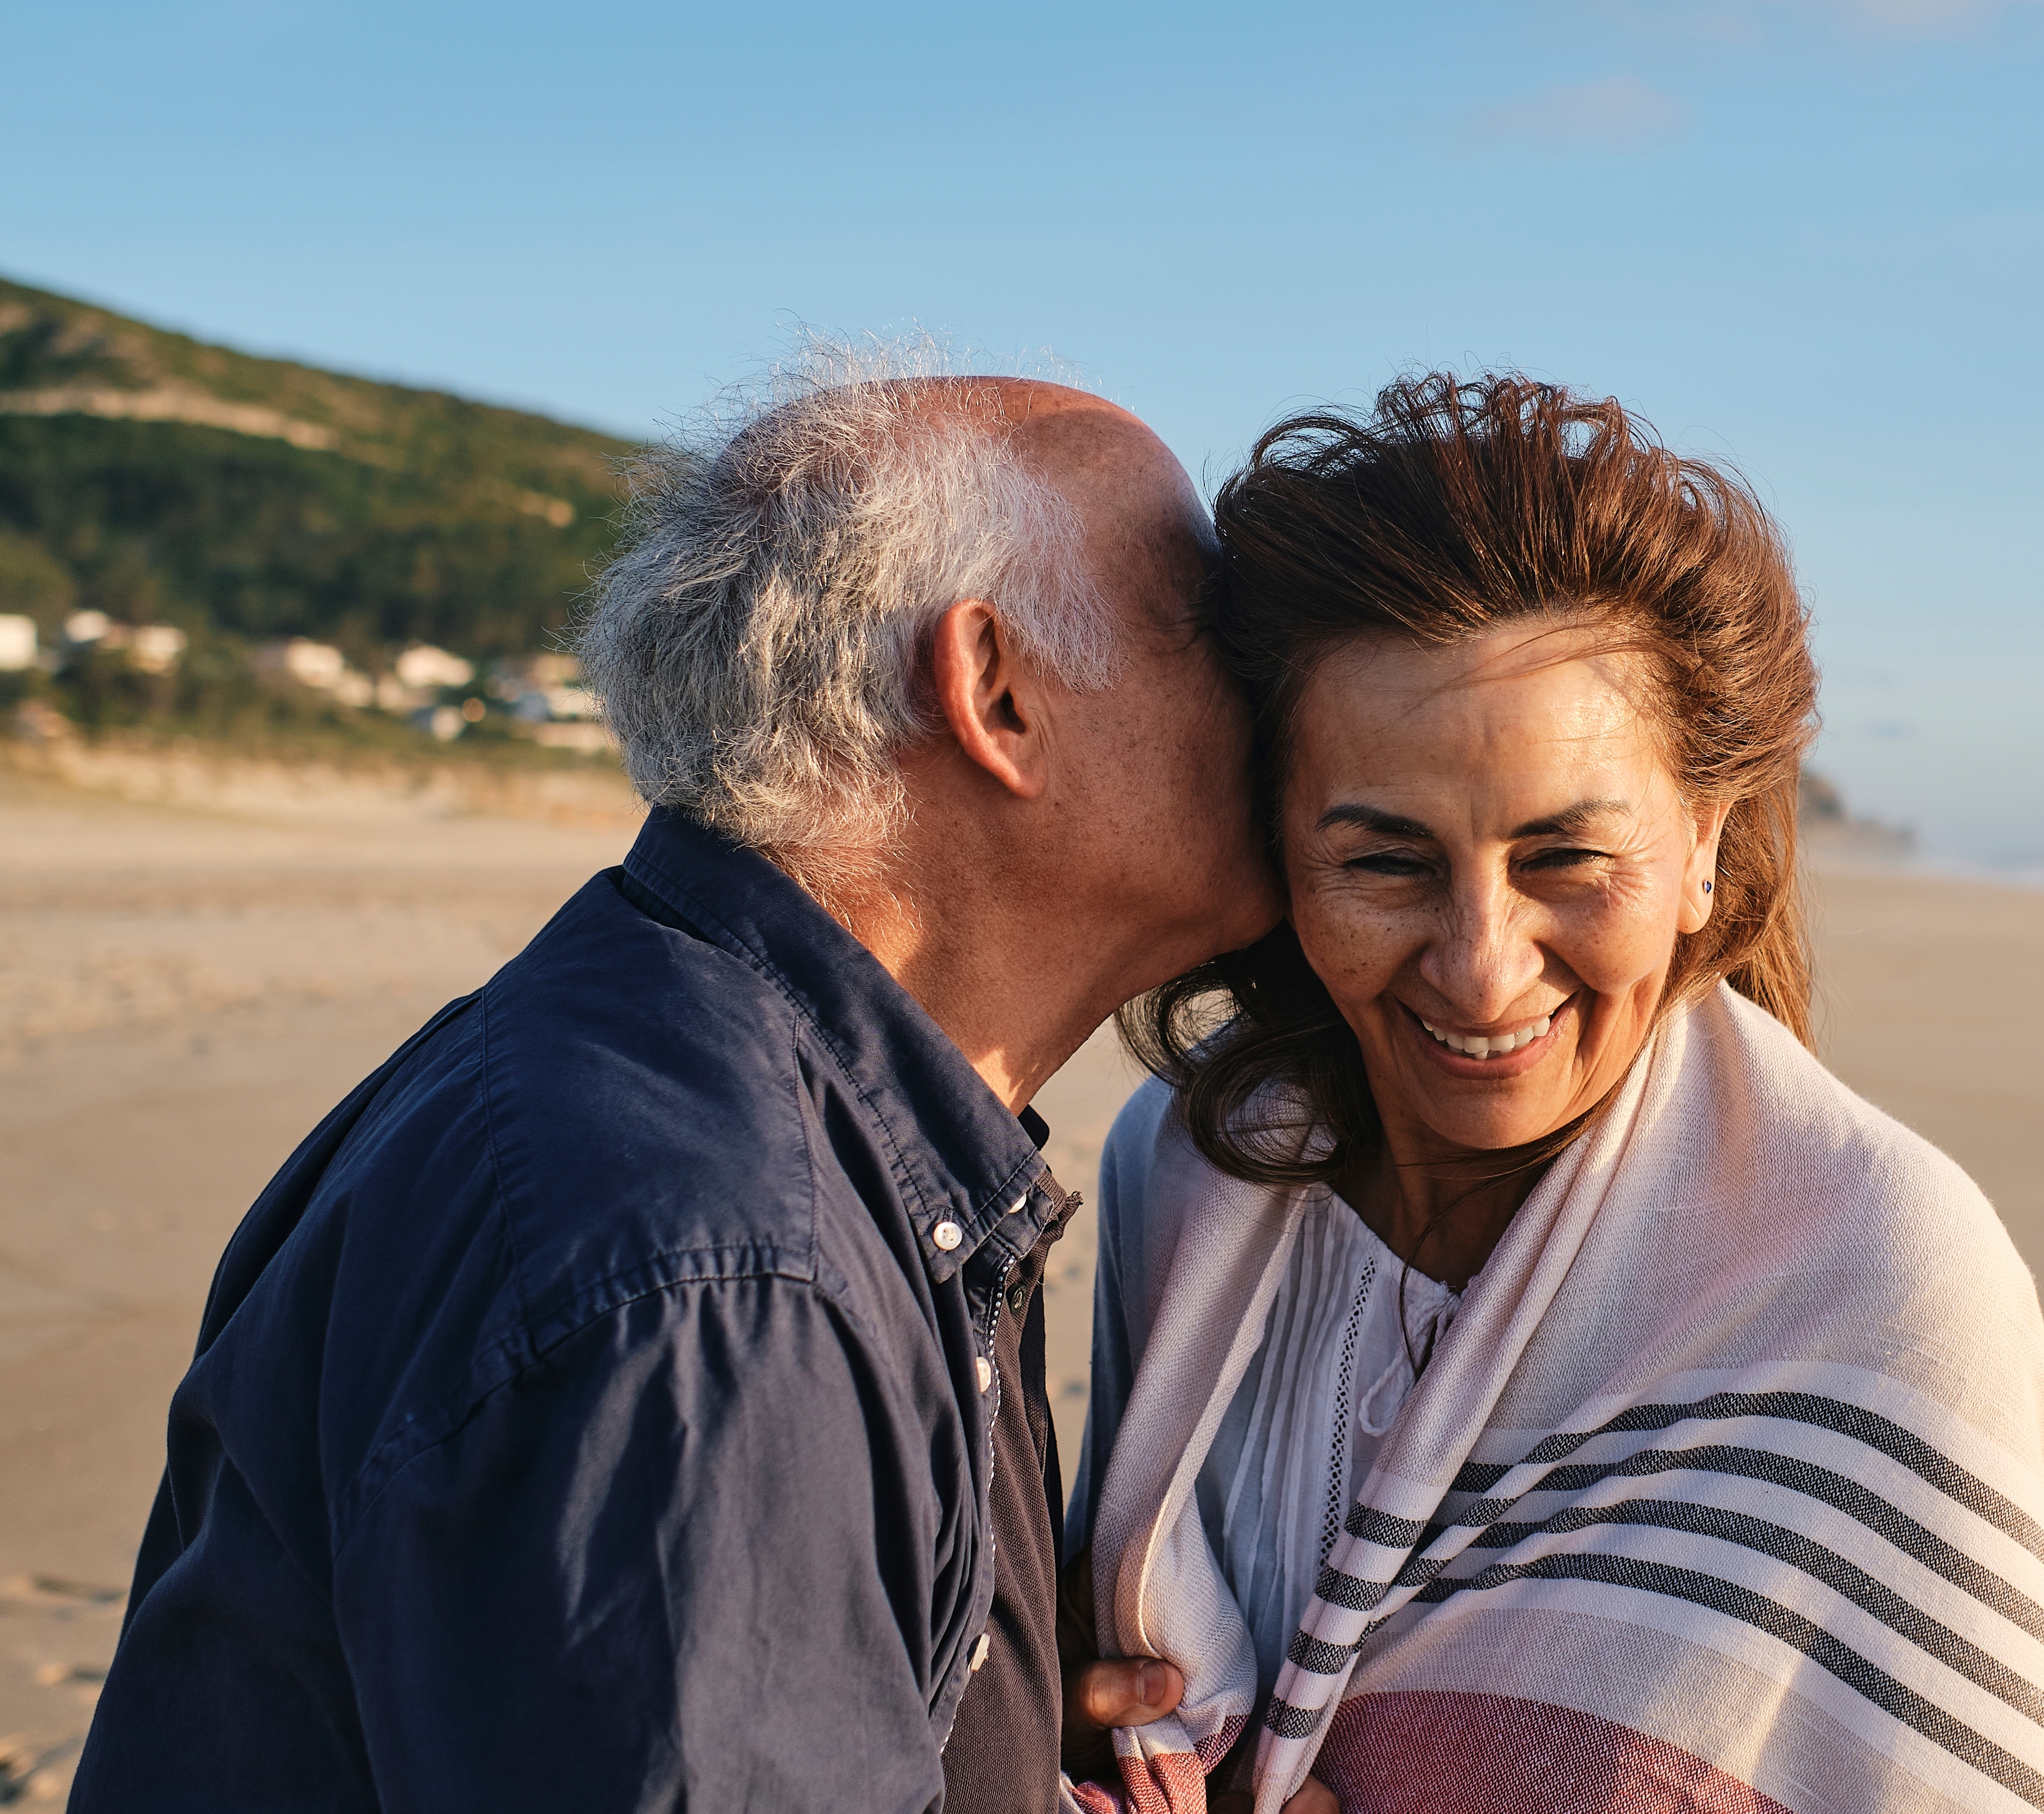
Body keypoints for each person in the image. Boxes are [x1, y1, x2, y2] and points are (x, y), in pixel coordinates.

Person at [73, 361, 1277, 1812]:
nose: (1283, 691)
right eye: (1214, 628)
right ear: (996, 691)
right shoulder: (728, 1272)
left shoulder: (689, 1090)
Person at [1066, 375, 2044, 1814]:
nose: (1481, 967)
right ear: (1281, 855)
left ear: (1703, 844)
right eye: (1384, 862)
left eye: (1566, 857)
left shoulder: (1878, 1287)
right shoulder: (1191, 1173)